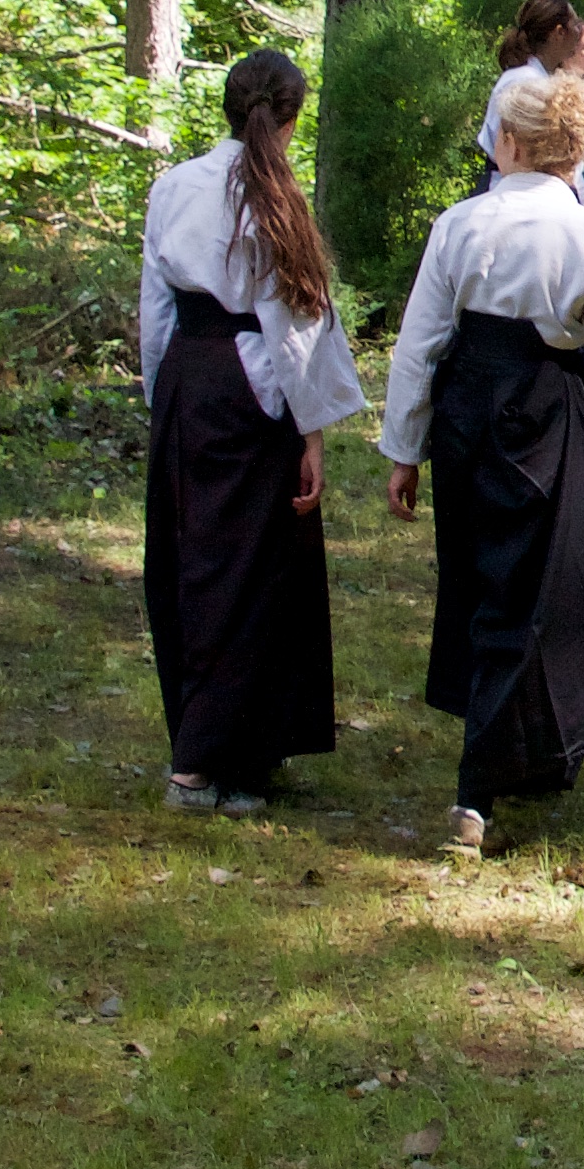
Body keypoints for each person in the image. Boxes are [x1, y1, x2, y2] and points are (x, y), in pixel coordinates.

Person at [380, 74, 584, 856]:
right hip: (551, 410)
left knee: (482, 581)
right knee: (540, 590)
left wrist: (404, 448)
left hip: (468, 409)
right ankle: (481, 785)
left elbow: (419, 345)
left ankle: (528, 755)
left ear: (510, 142)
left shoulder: (461, 224)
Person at [139, 51, 365, 816]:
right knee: (245, 570)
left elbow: (155, 309)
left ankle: (242, 748)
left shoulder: (174, 185)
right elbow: (292, 325)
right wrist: (310, 427)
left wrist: (163, 395)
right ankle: (201, 764)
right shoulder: (274, 195)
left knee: (195, 558)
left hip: (190, 378)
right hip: (251, 387)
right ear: (291, 118)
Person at [476, 0, 583, 174]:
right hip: (511, 181)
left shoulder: (539, 77)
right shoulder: (525, 82)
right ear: (559, 32)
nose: (579, 33)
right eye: (575, 25)